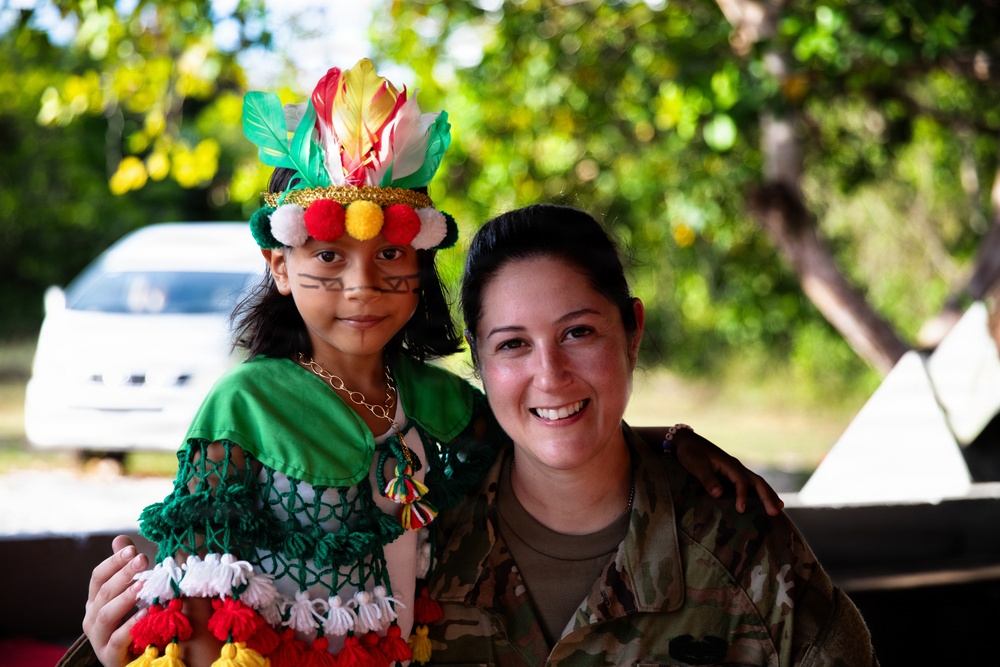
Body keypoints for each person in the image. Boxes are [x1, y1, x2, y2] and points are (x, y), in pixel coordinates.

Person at [59, 62, 781, 667]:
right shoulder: (247, 404)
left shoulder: (441, 404)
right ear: (279, 267)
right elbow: (193, 578)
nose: (361, 285)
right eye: (328, 257)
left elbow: (551, 430)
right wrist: (103, 647)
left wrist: (668, 440)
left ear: (422, 261)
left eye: (391, 255)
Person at [425, 203, 879, 666]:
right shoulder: (421, 545)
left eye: (578, 332)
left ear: (632, 332)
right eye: (513, 344)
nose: (549, 375)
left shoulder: (746, 548)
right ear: (479, 361)